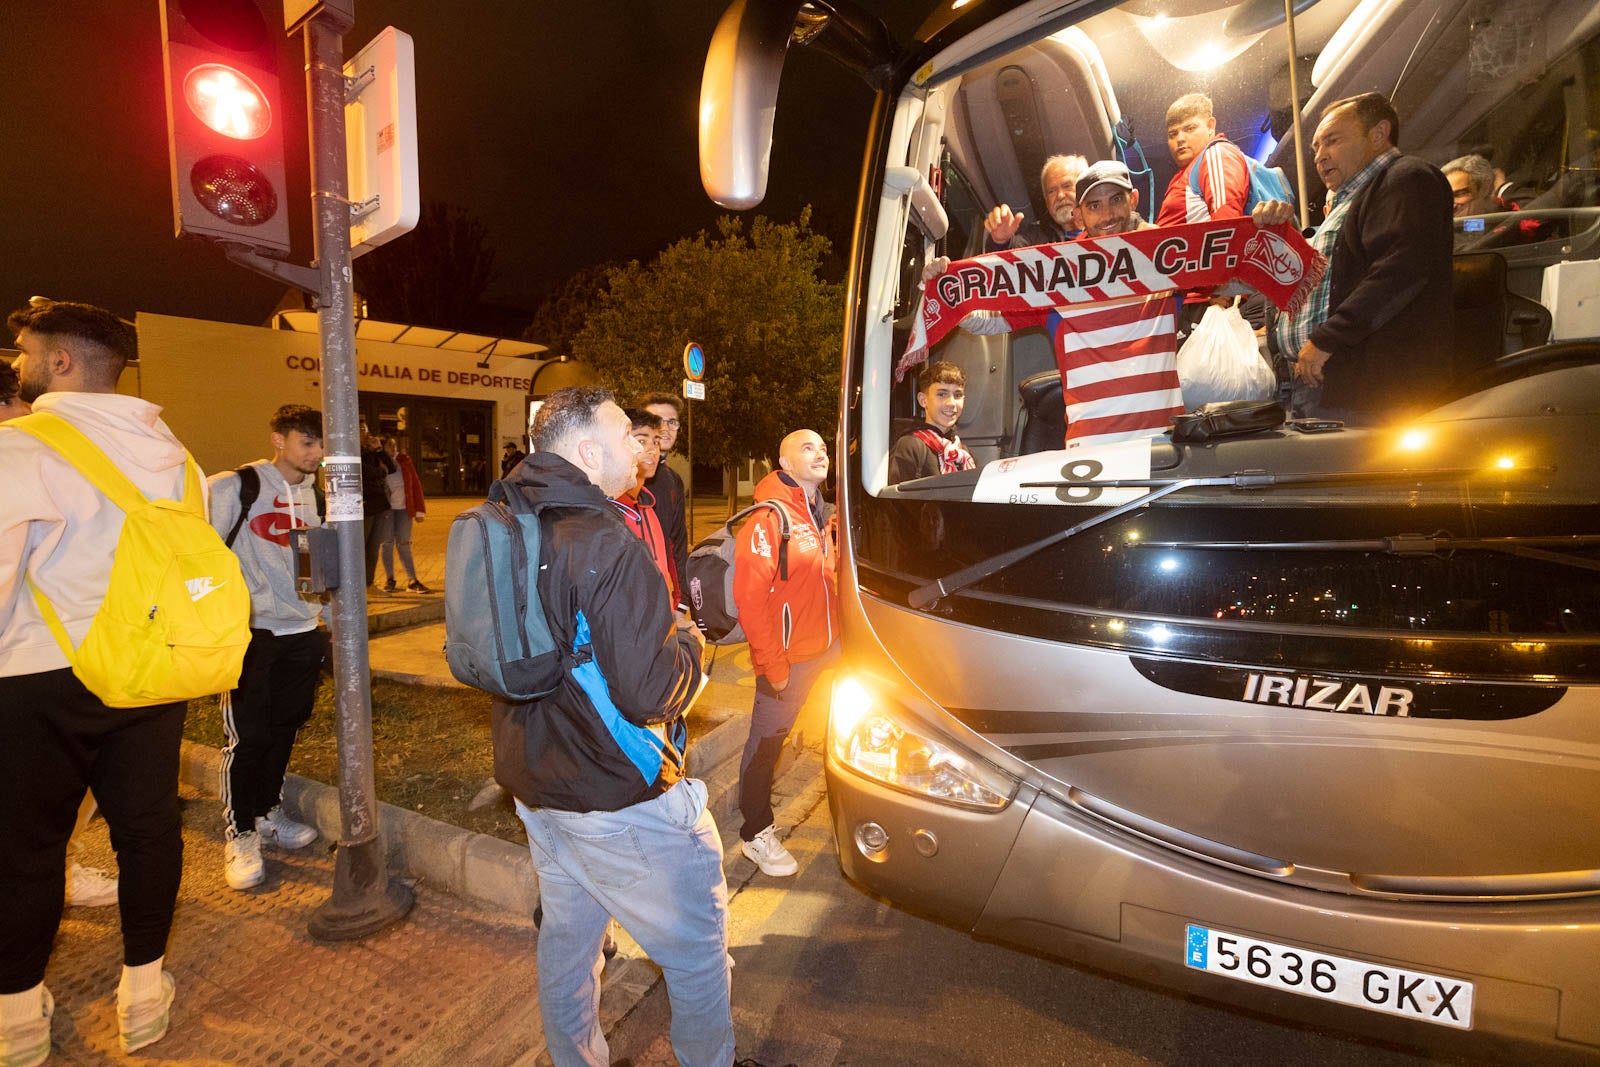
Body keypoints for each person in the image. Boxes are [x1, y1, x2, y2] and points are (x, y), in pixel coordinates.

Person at [494, 386, 730, 1067]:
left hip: (533, 773)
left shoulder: (508, 516)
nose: (643, 444)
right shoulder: (605, 538)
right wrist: (692, 642)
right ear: (589, 450)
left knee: (567, 939)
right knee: (698, 948)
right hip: (613, 787)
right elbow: (651, 691)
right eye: (629, 434)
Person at [1, 301, 184, 1061]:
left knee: (26, 847)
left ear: (63, 362)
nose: (17, 363)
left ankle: (16, 1015)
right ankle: (143, 991)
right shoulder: (172, 450)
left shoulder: (23, 445)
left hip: (38, 672)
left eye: (25, 351)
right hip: (146, 669)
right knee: (146, 828)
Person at [927, 160, 1184, 448]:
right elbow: (984, 319)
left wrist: (1246, 232)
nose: (1107, 214)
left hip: (1163, 446)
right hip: (1090, 452)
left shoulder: (1169, 266)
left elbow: (1234, 278)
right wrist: (943, 287)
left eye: (1116, 200)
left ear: (1133, 200)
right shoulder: (1058, 280)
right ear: (1079, 215)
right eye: (1094, 206)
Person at [1254, 92, 1453, 421]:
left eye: (1331, 141)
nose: (1320, 156)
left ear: (1378, 134)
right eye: (1316, 147)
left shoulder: (1405, 179)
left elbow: (1399, 271)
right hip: (1325, 380)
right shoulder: (1345, 202)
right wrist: (1280, 234)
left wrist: (1326, 339)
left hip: (1372, 389)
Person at [0, 359, 118, 910]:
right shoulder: (16, 452)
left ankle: (60, 873)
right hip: (31, 669)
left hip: (56, 660)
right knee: (32, 826)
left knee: (43, 814)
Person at [207, 404, 328, 891]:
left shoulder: (313, 493)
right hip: (252, 631)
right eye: (307, 443)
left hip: (301, 628)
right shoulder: (235, 486)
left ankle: (267, 811)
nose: (317, 455)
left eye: (321, 446)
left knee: (285, 727)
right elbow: (200, 553)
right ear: (278, 439)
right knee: (248, 735)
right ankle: (240, 832)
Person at [733, 429, 840, 877]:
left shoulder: (824, 514)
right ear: (785, 462)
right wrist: (773, 664)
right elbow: (750, 599)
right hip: (788, 661)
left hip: (829, 651)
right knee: (765, 746)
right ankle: (754, 833)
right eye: (807, 447)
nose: (820, 453)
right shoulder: (769, 517)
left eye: (824, 448)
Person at [615, 409, 681, 606]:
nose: (653, 450)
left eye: (656, 441)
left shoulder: (648, 508)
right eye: (642, 441)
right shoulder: (609, 512)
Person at [637, 392, 688, 604]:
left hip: (660, 600)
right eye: (657, 420)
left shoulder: (673, 481)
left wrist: (682, 600)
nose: (665, 428)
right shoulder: (620, 478)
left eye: (672, 422)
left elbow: (677, 544)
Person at [889, 360, 977, 482]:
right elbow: (895, 499)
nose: (951, 403)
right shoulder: (910, 447)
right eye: (942, 394)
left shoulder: (964, 452)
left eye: (957, 395)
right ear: (923, 400)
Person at [982, 153, 1088, 250]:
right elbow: (1011, 257)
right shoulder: (1035, 237)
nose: (1060, 195)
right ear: (1046, 201)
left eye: (1067, 186)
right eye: (1051, 191)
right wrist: (1001, 242)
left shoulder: (1101, 227)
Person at [377, 435, 431, 594]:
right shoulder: (377, 461)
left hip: (404, 509)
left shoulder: (404, 460)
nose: (393, 448)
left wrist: (419, 510)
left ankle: (412, 579)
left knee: (404, 544)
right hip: (385, 509)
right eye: (389, 446)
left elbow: (415, 483)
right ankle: (390, 579)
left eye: (394, 445)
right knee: (386, 544)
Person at [359, 426, 396, 591]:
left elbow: (391, 468)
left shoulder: (371, 452)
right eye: (362, 430)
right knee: (361, 545)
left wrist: (379, 450)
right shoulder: (351, 451)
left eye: (367, 430)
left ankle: (369, 582)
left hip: (379, 505)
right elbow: (364, 471)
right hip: (363, 505)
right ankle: (359, 584)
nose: (366, 434)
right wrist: (380, 472)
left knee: (373, 547)